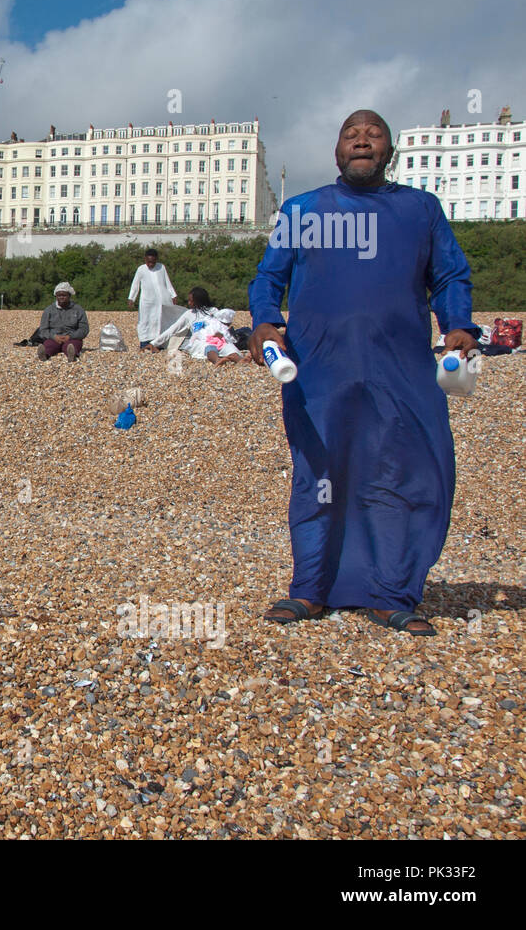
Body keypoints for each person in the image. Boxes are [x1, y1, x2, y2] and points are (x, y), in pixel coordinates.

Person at [250, 109, 479, 637]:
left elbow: (449, 275)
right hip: (319, 371)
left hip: (401, 370)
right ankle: (310, 589)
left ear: (388, 152)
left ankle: (391, 593)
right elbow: (268, 277)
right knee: (319, 475)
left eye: (373, 134)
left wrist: (458, 324)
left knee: (402, 473)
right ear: (336, 152)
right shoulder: (302, 209)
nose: (361, 140)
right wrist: (265, 323)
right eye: (350, 134)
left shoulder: (420, 209)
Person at [146, 287, 245, 365]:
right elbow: (173, 329)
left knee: (227, 346)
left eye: (191, 301)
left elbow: (223, 324)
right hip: (200, 340)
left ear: (199, 301)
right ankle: (217, 360)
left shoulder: (213, 311)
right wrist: (154, 343)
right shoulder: (189, 314)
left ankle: (239, 359)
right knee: (208, 347)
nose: (189, 303)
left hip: (217, 338)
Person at [127, 248, 178, 349]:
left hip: (161, 300)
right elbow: (135, 285)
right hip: (147, 302)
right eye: (148, 262)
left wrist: (173, 295)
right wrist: (131, 298)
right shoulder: (141, 269)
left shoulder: (161, 267)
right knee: (145, 321)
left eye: (153, 262)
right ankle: (144, 343)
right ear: (145, 259)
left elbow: (167, 282)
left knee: (160, 321)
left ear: (156, 260)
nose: (150, 264)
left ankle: (158, 343)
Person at [37, 282, 89, 361]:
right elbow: (43, 330)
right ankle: (45, 354)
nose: (61, 297)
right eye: (59, 295)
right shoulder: (49, 310)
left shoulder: (78, 310)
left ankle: (71, 355)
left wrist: (70, 336)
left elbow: (84, 329)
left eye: (64, 295)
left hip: (72, 338)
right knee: (49, 345)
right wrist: (54, 337)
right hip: (54, 338)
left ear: (69, 296)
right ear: (56, 296)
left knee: (73, 345)